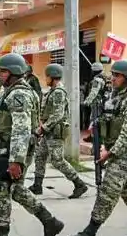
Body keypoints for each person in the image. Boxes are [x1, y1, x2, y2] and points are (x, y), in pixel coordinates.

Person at [0, 53, 66, 236]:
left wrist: (15, 160)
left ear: (14, 73)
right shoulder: (12, 92)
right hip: (9, 148)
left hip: (13, 150)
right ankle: (50, 222)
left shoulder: (19, 95)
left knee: (0, 191)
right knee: (15, 190)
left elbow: (21, 128)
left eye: (3, 71)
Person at [68, 60, 127, 236]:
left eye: (117, 76)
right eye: (113, 75)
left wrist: (110, 152)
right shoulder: (115, 98)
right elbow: (110, 119)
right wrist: (96, 124)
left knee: (107, 192)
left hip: (124, 152)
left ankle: (89, 233)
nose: (113, 78)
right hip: (114, 150)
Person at [32, 63, 92, 198]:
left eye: (47, 76)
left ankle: (79, 184)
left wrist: (43, 128)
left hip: (55, 132)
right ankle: (37, 185)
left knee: (57, 160)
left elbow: (57, 114)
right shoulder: (52, 91)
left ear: (52, 77)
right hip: (49, 132)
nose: (45, 79)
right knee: (40, 156)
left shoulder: (58, 92)